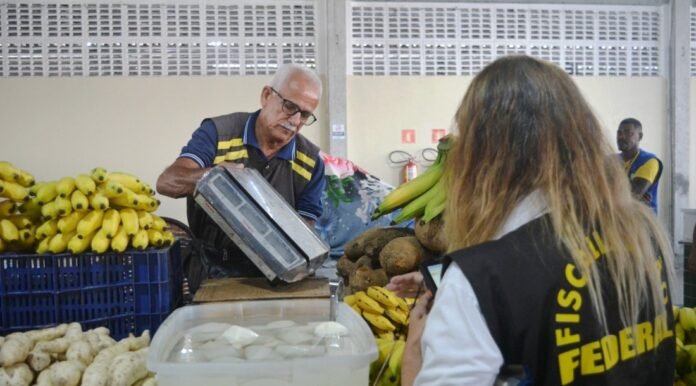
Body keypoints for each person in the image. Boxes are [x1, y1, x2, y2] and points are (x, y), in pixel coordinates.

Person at [387, 56, 675, 386]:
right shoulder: (643, 235)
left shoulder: (481, 280)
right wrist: (447, 283)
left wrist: (414, 358)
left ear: (481, 155)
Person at [156, 63, 326, 292]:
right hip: (210, 269)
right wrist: (213, 177)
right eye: (289, 106)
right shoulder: (219, 133)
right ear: (266, 95)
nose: (295, 121)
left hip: (273, 278)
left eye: (304, 114)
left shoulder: (311, 162)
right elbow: (167, 182)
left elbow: (305, 231)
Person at [616, 118, 663, 213]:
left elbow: (632, 196)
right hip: (618, 220)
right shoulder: (611, 160)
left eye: (628, 133)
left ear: (640, 136)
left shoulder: (649, 161)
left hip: (643, 222)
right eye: (619, 133)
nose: (621, 137)